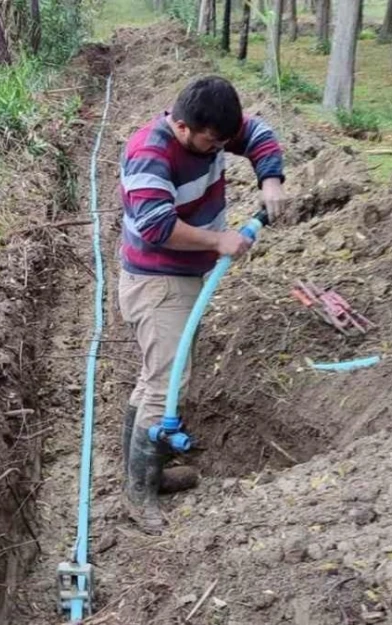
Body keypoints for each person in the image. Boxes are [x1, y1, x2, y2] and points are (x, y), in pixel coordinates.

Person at [117, 75, 286, 534]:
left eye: (224, 143)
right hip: (157, 283)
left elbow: (257, 133)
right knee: (165, 382)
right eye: (212, 143)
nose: (219, 150)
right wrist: (219, 240)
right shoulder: (149, 154)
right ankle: (138, 494)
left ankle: (145, 471)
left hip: (183, 276)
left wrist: (270, 180)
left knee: (157, 375)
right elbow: (156, 226)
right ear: (183, 126)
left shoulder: (213, 132)